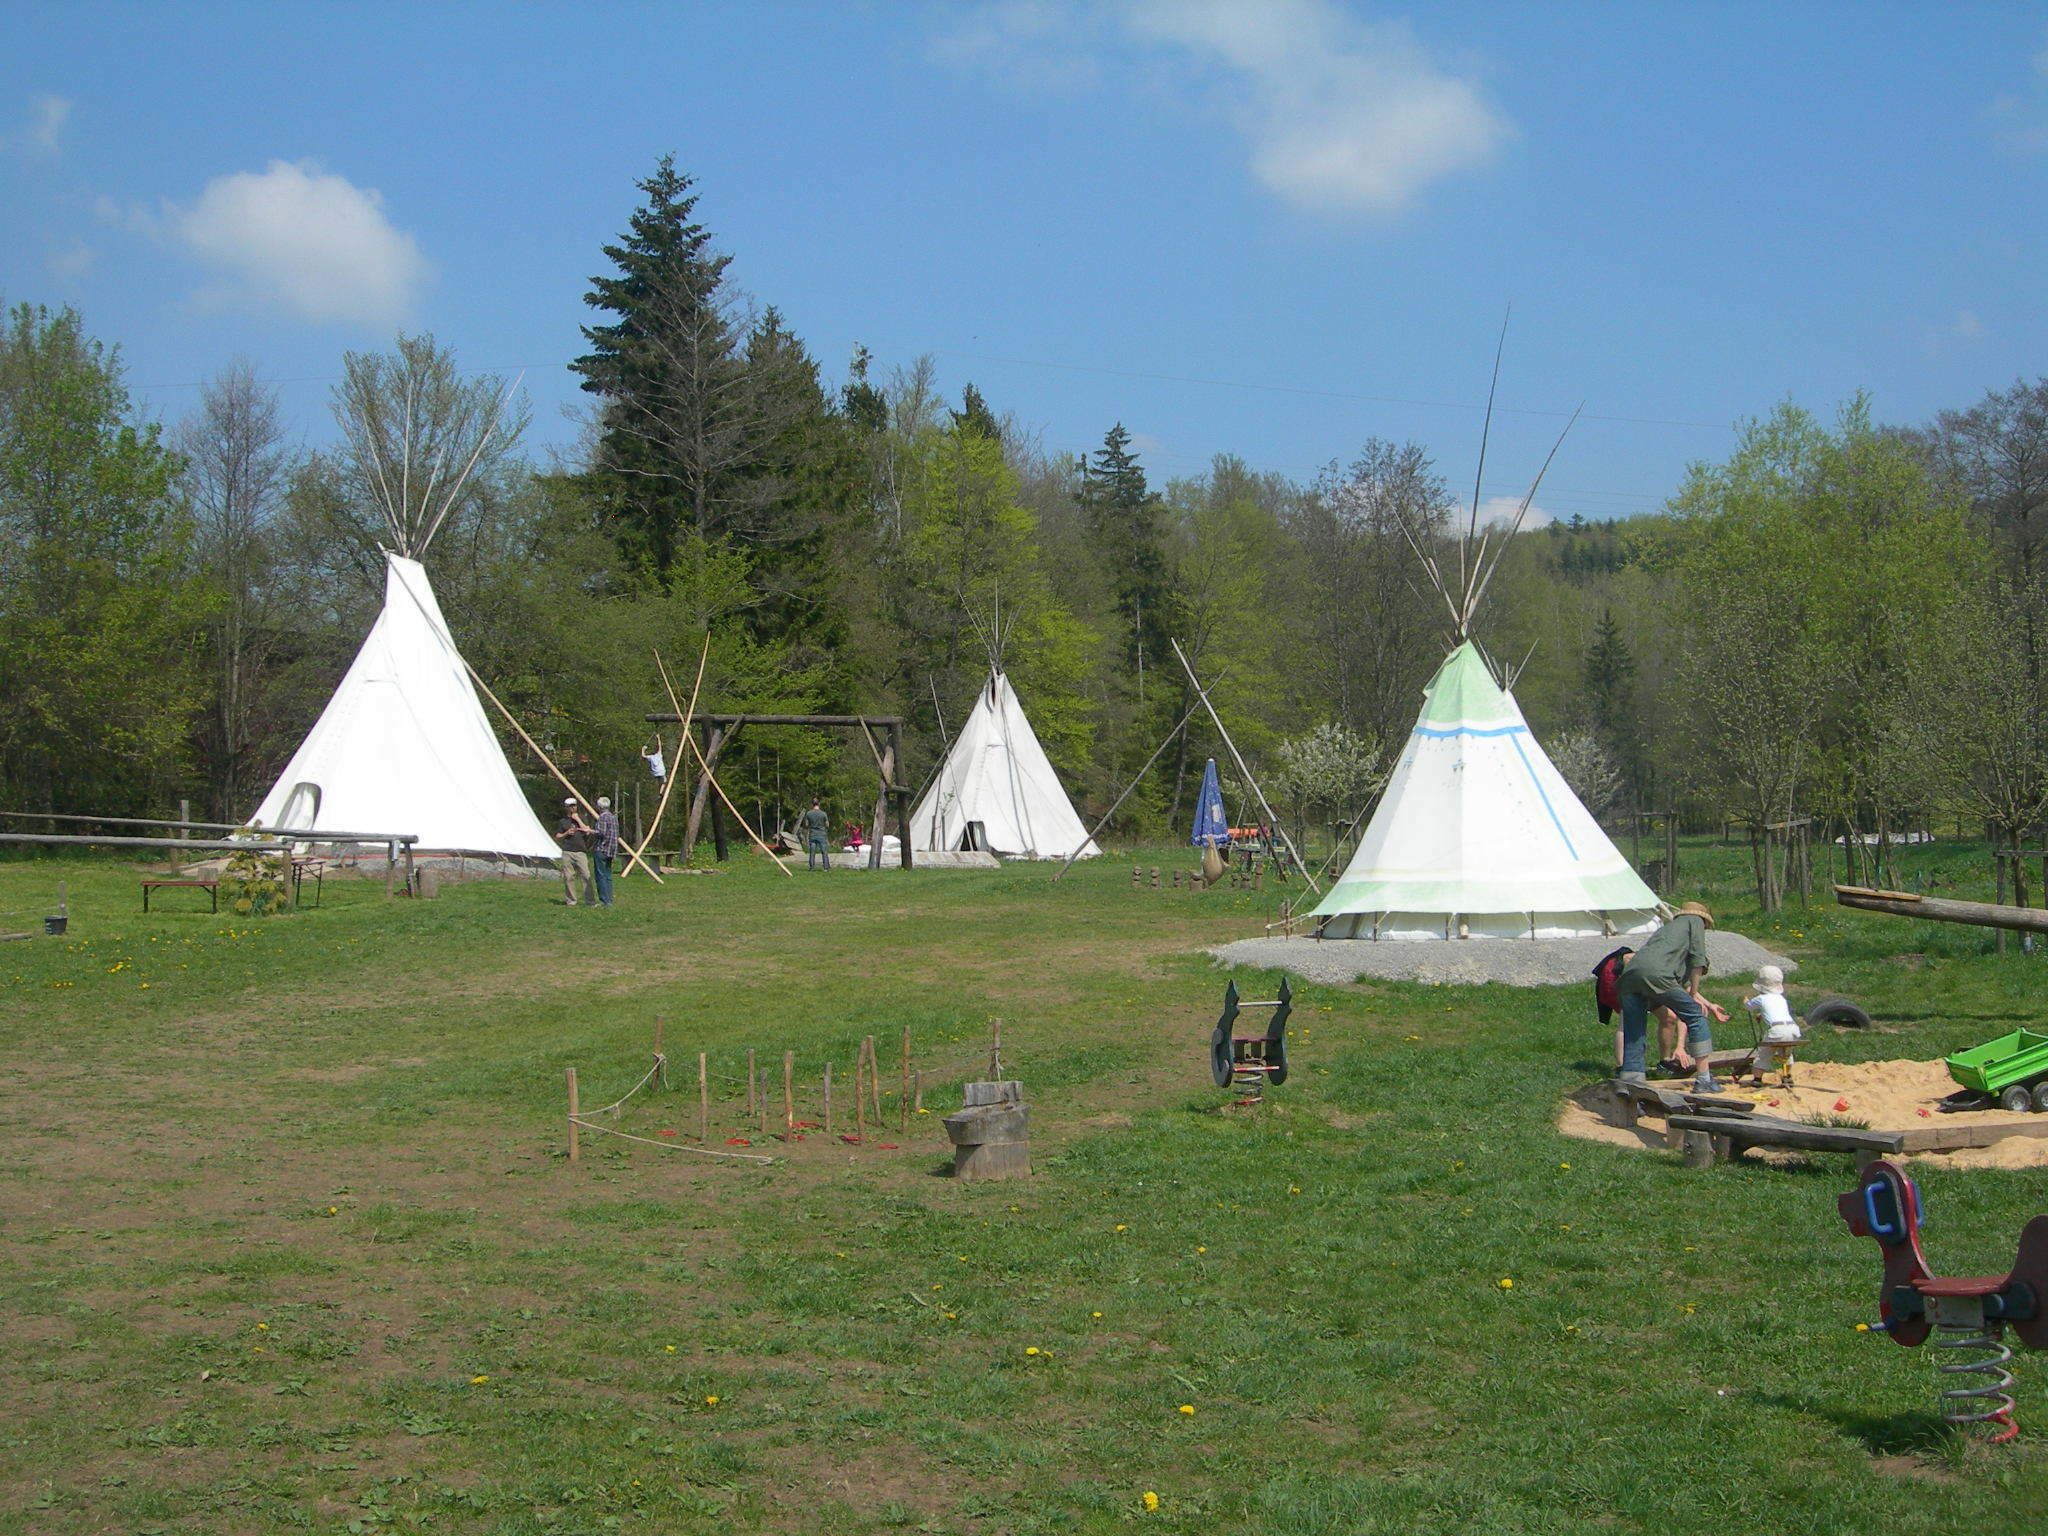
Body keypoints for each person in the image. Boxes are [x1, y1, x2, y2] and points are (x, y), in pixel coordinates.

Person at [1617, 901, 1730, 1091]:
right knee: (1695, 1016)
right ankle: (1704, 1080)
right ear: (1704, 920)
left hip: (1629, 977)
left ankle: (1631, 1086)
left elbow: (1678, 984)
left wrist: (1708, 1003)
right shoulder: (1694, 922)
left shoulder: (1668, 932)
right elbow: (1698, 961)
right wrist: (1694, 996)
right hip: (1656, 976)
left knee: (1634, 1031)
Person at [1744, 964, 1803, 1084]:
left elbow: (1749, 1007)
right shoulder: (1781, 999)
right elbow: (1777, 1012)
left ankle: (1757, 1079)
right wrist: (1762, 1015)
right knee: (1786, 1052)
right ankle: (1787, 1075)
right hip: (1793, 1028)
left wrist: (1745, 1001)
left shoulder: (1761, 998)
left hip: (1777, 1029)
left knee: (1764, 1052)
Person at [556, 797, 594, 907]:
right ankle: (571, 901)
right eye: (571, 806)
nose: (574, 808)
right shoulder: (563, 821)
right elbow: (558, 836)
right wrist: (566, 833)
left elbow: (587, 831)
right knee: (569, 877)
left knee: (586, 875)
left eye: (575, 805)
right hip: (567, 851)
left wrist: (577, 819)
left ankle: (590, 901)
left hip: (581, 852)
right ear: (566, 808)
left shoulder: (582, 818)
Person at [592, 795, 620, 907]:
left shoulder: (603, 817)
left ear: (600, 807)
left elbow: (601, 832)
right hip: (611, 850)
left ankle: (604, 901)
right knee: (608, 875)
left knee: (600, 875)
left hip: (602, 849)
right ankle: (609, 899)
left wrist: (590, 831)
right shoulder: (613, 818)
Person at [802, 795, 830, 871]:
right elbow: (827, 825)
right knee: (824, 851)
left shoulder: (808, 813)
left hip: (812, 834)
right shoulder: (823, 814)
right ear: (819, 804)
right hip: (821, 834)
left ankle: (811, 867)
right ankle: (826, 868)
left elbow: (807, 825)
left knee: (812, 852)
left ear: (812, 804)